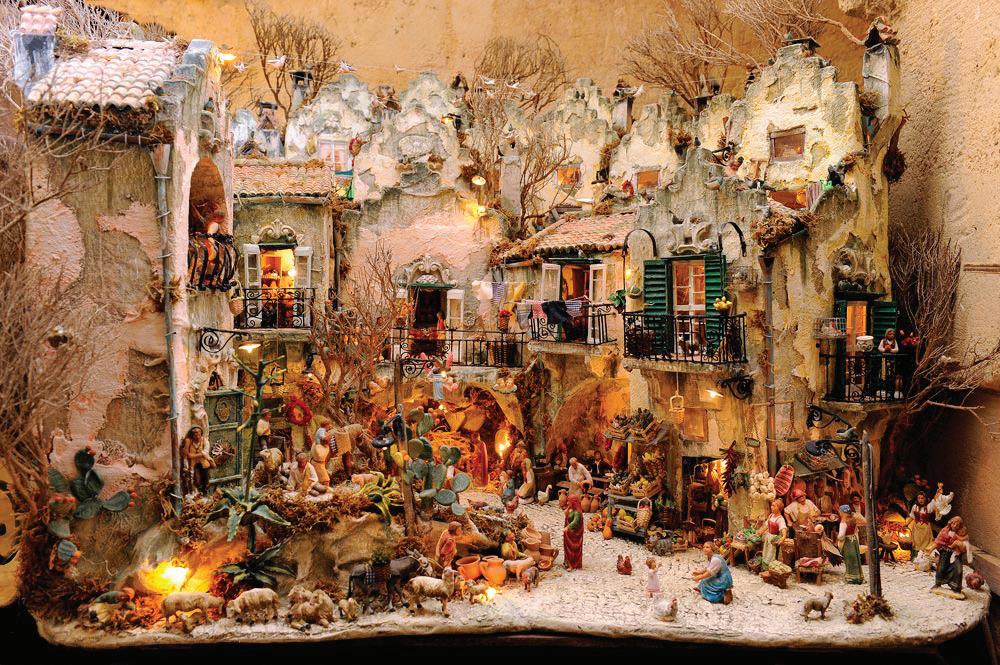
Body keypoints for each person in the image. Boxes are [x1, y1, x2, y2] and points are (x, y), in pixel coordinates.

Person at [932, 516, 972, 598]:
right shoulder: (945, 530)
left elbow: (965, 545)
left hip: (955, 554)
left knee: (958, 570)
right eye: (953, 523)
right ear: (950, 523)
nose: (955, 526)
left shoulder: (961, 533)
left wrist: (961, 546)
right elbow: (938, 541)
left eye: (957, 525)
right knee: (941, 568)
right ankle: (938, 584)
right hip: (945, 552)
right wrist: (931, 548)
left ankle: (956, 587)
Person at [907, 484, 944, 553]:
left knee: (925, 545)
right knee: (916, 543)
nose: (920, 500)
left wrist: (938, 491)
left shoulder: (929, 507)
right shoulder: (915, 507)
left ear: (925, 499)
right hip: (916, 528)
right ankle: (915, 556)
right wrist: (906, 524)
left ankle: (923, 556)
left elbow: (935, 499)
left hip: (925, 529)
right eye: (919, 498)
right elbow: (912, 516)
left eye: (922, 498)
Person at [837, 504, 866, 584]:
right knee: (855, 557)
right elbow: (856, 529)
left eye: (840, 511)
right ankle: (858, 576)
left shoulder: (843, 522)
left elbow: (841, 535)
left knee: (849, 558)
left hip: (847, 542)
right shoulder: (853, 519)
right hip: (854, 540)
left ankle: (852, 577)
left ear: (842, 512)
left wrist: (838, 537)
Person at [181, 427, 213, 495]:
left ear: (201, 434)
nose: (198, 437)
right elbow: (186, 454)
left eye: (199, 435)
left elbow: (205, 452)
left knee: (206, 479)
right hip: (194, 464)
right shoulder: (189, 442)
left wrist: (193, 455)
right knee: (196, 480)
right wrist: (187, 443)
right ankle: (198, 493)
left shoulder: (205, 441)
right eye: (195, 435)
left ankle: (205, 492)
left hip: (203, 463)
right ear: (192, 435)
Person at [757, 499, 787, 565]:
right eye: (771, 505)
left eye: (774, 506)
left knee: (771, 553)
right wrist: (760, 531)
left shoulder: (780, 519)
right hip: (768, 537)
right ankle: (765, 564)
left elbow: (783, 529)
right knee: (766, 551)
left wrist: (783, 537)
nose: (771, 507)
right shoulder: (771, 516)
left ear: (779, 508)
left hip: (773, 539)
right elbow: (766, 525)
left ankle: (770, 565)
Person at [563, 493, 584, 570]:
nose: (567, 503)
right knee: (567, 548)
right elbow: (566, 513)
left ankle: (572, 564)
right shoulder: (571, 509)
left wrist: (568, 527)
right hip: (569, 534)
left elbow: (575, 522)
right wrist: (568, 508)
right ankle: (567, 562)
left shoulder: (577, 513)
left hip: (574, 535)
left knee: (572, 549)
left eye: (569, 501)